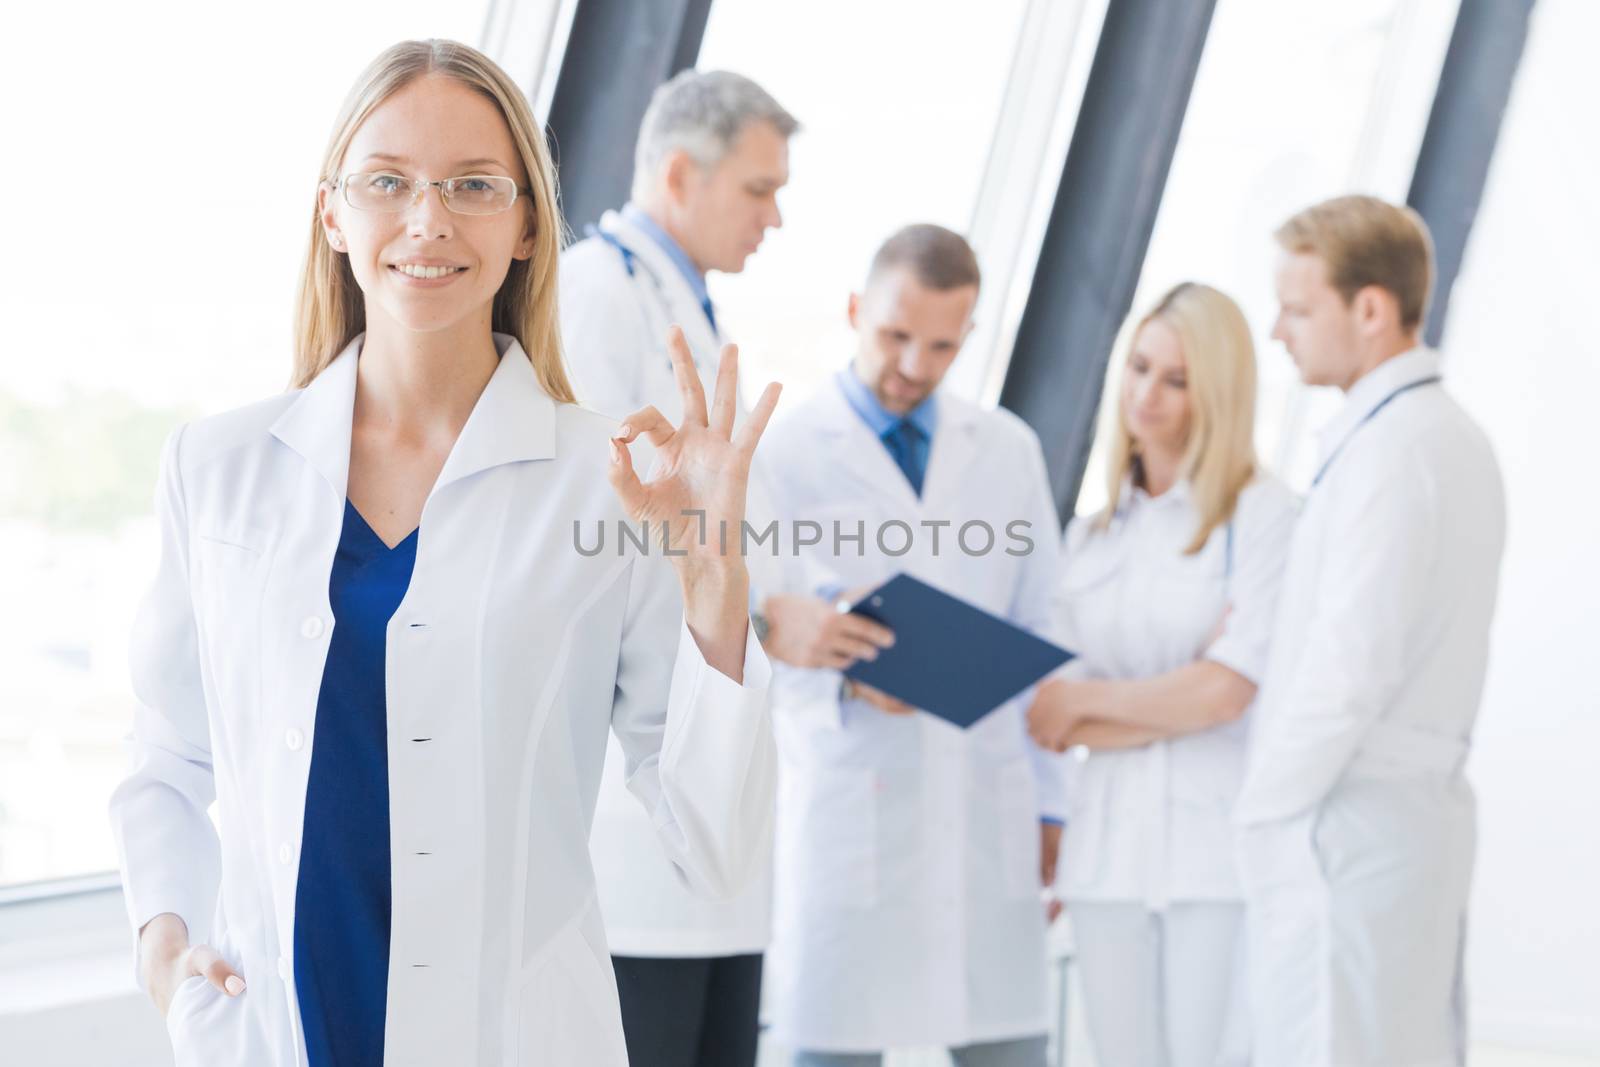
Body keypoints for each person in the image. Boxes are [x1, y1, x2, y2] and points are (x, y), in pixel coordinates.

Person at [106, 39, 780, 1067]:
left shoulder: (611, 481)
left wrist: (715, 583)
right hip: (276, 1032)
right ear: (333, 213)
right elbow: (166, 757)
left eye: (472, 185)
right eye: (388, 181)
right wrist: (164, 944)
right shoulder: (219, 467)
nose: (428, 220)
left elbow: (714, 844)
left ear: (523, 226)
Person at [759, 224, 1064, 1067]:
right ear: (857, 311)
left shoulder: (1006, 450)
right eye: (895, 335)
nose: (914, 365)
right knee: (830, 1043)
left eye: (940, 345)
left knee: (1007, 1041)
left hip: (986, 804)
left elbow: (1045, 625)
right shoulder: (783, 452)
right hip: (850, 802)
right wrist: (848, 680)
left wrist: (1051, 803)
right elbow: (747, 639)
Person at [557, 69, 797, 1067]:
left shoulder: (686, 309)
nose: (775, 217)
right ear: (679, 172)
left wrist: (772, 608)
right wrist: (775, 618)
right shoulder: (595, 294)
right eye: (758, 188)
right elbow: (600, 540)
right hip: (635, 809)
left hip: (715, 809)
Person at [1233, 195, 1506, 1066]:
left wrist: (1261, 808)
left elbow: (1347, 669)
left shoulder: (1398, 453)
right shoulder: (1431, 436)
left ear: (1372, 309)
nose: (1279, 331)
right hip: (1389, 827)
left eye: (1299, 307)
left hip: (1345, 831)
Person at [1025, 282, 1298, 1067]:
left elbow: (1227, 691)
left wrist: (1093, 703)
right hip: (1104, 856)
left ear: (1216, 392)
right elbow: (1049, 714)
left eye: (1175, 379)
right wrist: (1166, 699)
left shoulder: (1265, 517)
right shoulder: (1092, 536)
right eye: (1139, 367)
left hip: (1213, 860)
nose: (1147, 395)